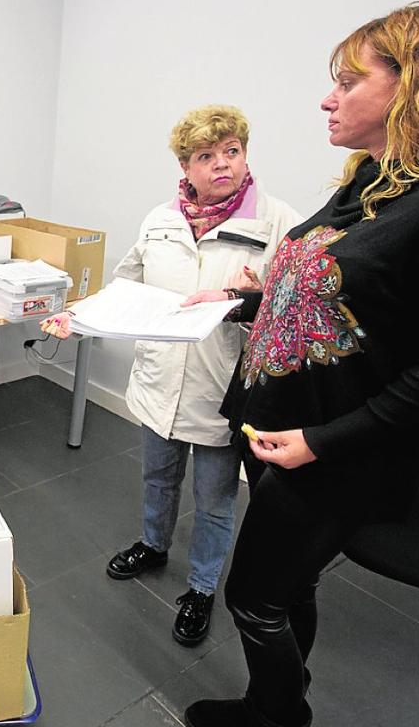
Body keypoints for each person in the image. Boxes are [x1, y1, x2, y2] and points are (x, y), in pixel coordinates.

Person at [181, 1, 419, 727]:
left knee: (252, 596)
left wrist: (321, 443)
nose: (326, 98)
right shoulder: (373, 181)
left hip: (339, 454)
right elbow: (339, 301)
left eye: (346, 81)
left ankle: (276, 716)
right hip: (284, 431)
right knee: (286, 584)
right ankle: (282, 693)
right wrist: (249, 300)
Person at [40, 105, 300, 646]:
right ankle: (154, 546)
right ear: (186, 166)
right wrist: (77, 316)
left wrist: (250, 298)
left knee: (215, 499)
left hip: (222, 390)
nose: (222, 165)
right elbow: (124, 288)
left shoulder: (277, 223)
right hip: (160, 382)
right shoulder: (159, 220)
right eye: (207, 156)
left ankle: (202, 587)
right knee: (157, 477)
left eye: (232, 152)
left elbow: (294, 312)